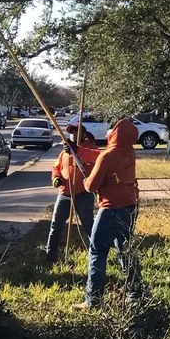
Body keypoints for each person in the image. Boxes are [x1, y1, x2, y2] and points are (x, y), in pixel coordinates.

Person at [73, 118, 142, 309]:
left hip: (110, 209)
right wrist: (78, 150)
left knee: (97, 251)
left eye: (113, 129)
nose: (109, 132)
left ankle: (93, 300)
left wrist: (86, 179)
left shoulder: (107, 157)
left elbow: (91, 186)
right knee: (125, 249)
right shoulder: (129, 152)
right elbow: (102, 155)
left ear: (116, 134)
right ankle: (135, 294)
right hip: (129, 207)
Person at [45, 124, 99, 265]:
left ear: (84, 134)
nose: (74, 134)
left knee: (89, 226)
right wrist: (56, 178)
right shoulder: (65, 150)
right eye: (72, 132)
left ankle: (95, 258)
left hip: (83, 194)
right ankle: (50, 258)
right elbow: (56, 167)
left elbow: (96, 162)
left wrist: (78, 152)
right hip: (65, 193)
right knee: (55, 225)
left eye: (77, 132)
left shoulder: (90, 148)